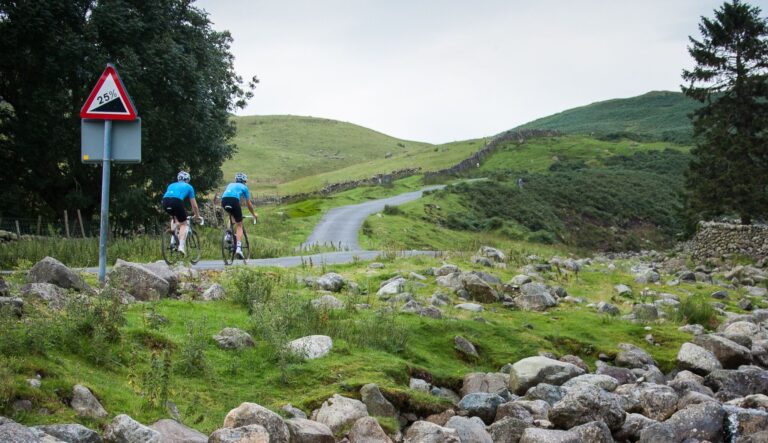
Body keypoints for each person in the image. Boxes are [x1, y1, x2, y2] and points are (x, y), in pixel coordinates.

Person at [161, 171, 202, 256]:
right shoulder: (189, 187)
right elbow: (194, 205)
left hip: (165, 202)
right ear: (187, 179)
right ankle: (181, 247)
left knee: (175, 218)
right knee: (184, 224)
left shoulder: (171, 185)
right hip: (176, 201)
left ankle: (173, 238)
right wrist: (197, 215)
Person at [221, 172, 258, 258]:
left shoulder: (230, 184)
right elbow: (248, 204)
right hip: (234, 201)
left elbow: (227, 194)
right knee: (239, 225)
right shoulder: (244, 187)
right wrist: (253, 214)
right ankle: (238, 248)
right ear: (244, 181)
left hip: (224, 200)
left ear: (236, 180)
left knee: (231, 216)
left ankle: (228, 234)